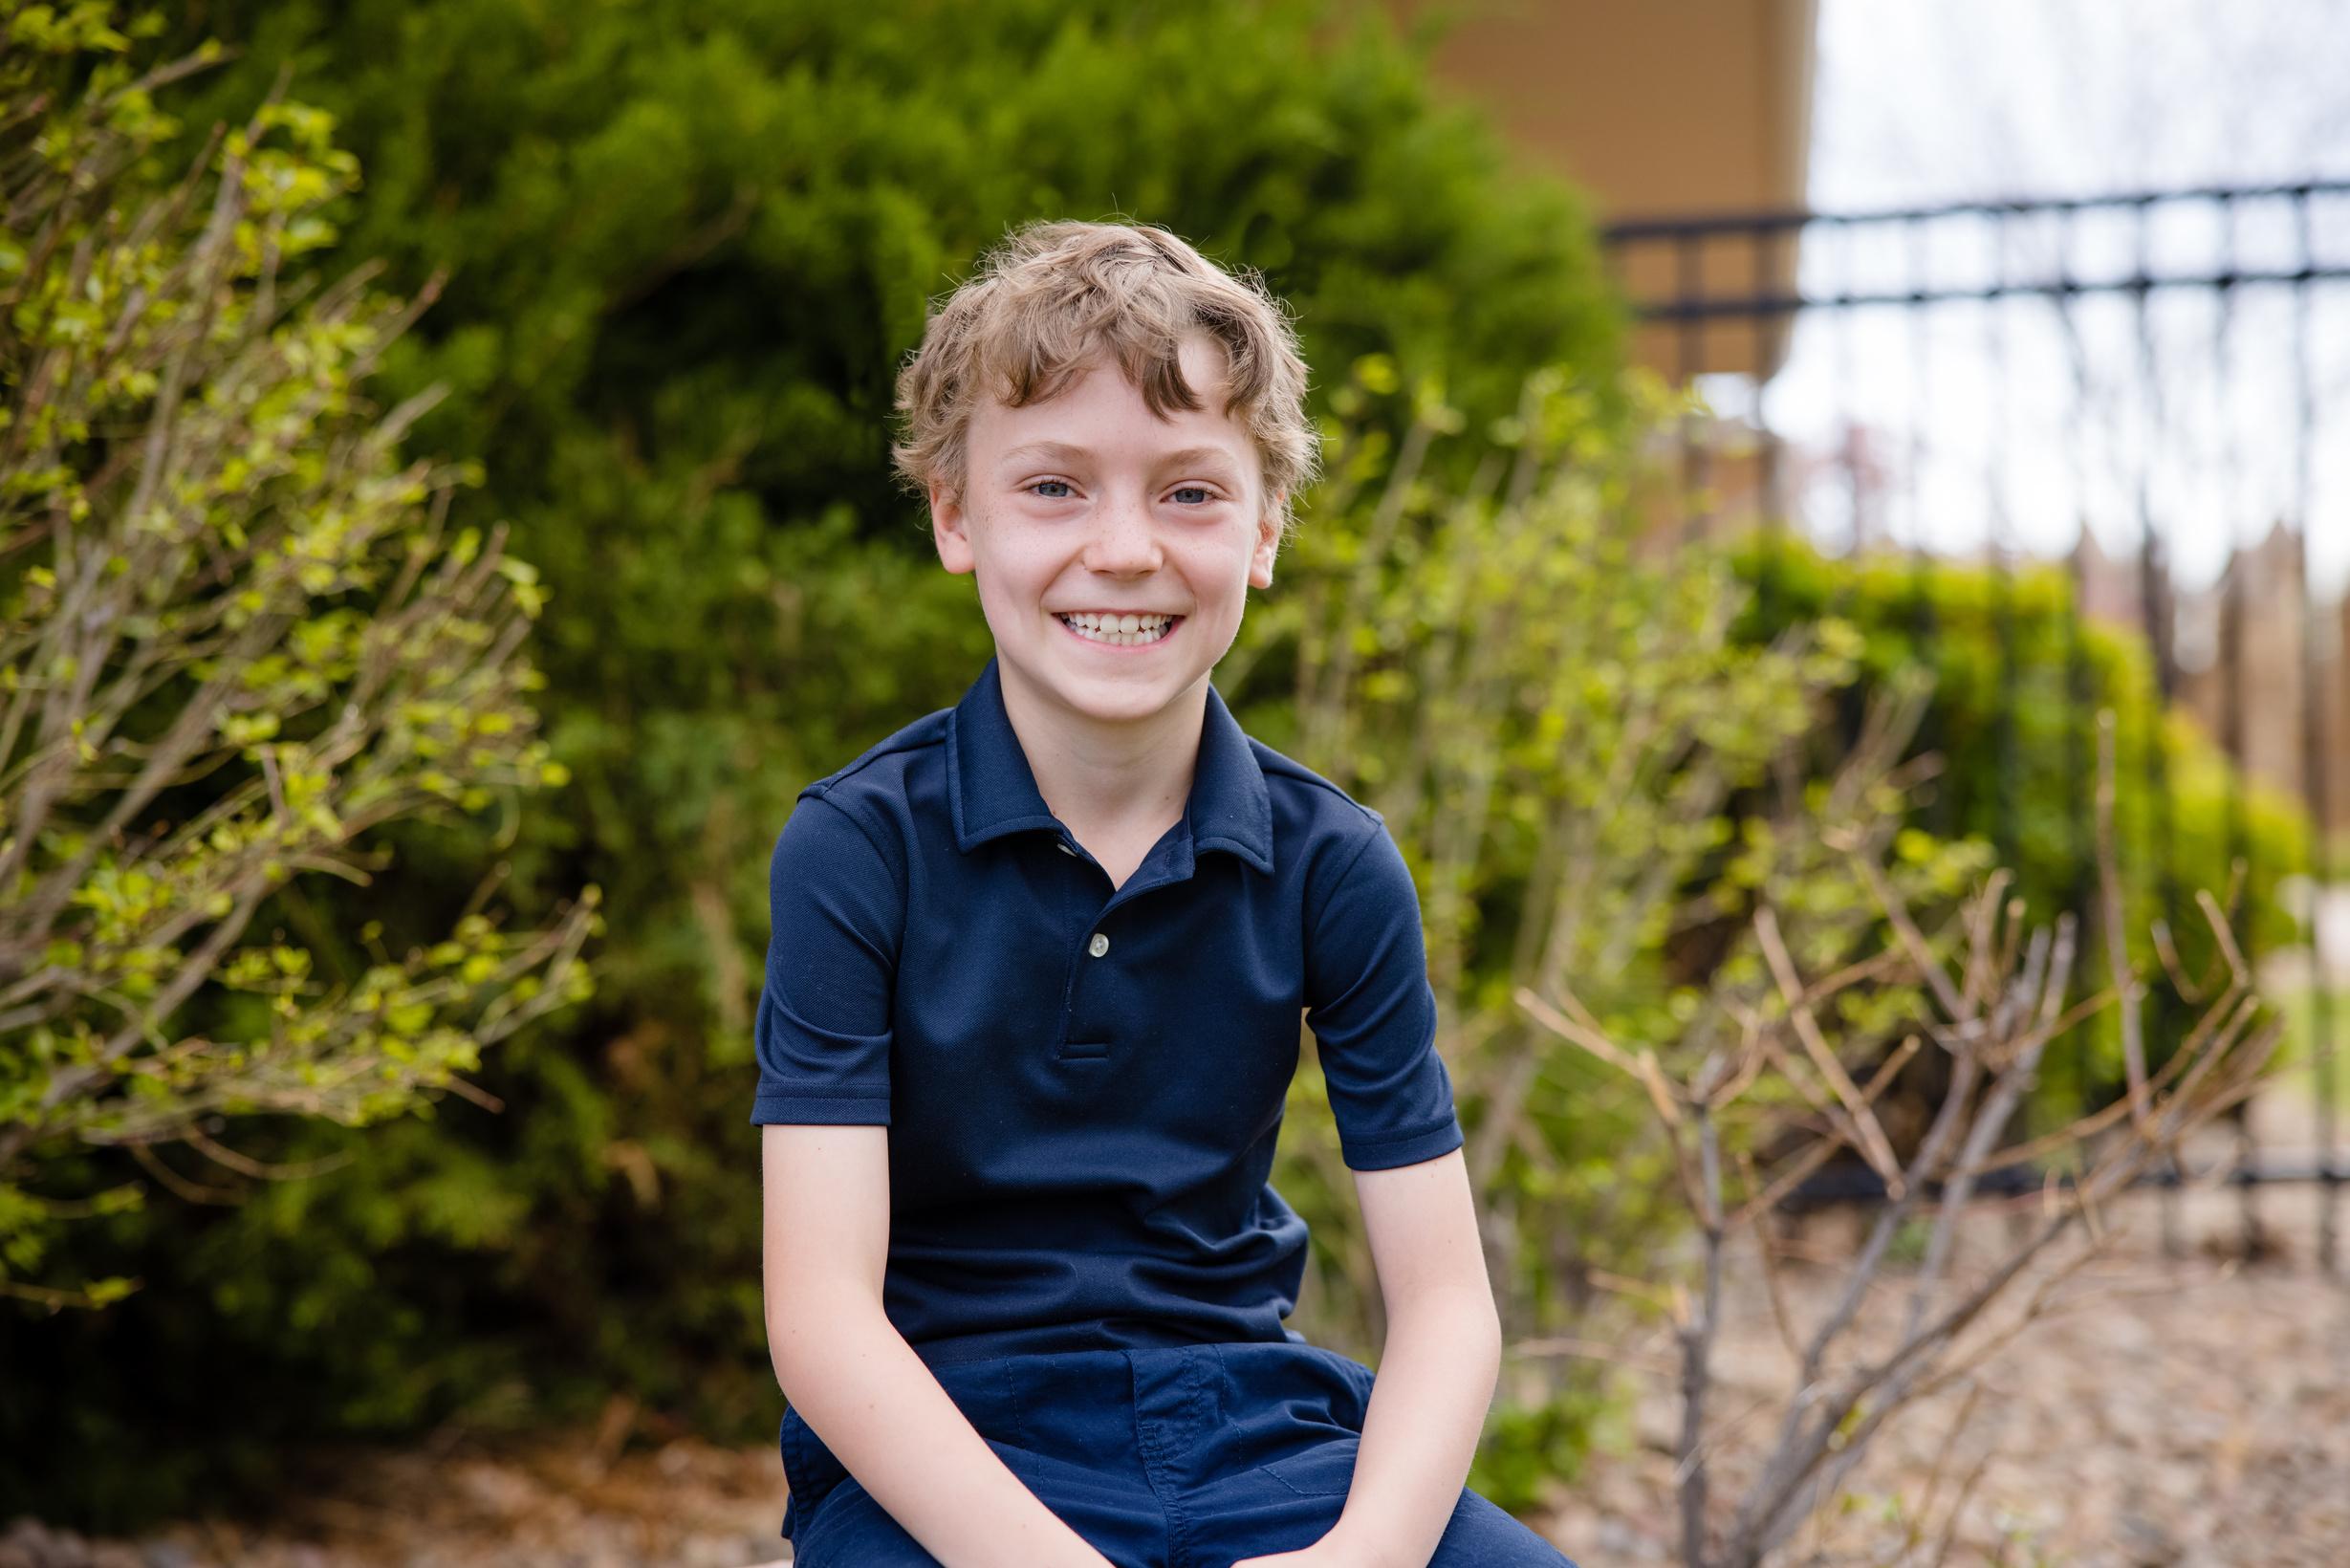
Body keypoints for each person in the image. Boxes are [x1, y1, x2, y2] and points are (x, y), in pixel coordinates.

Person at [755, 218, 1579, 1568]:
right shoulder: (859, 847)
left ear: (1265, 530)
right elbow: (822, 1318)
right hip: (949, 1460)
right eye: (1054, 487)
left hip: (1256, 1433)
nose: (1126, 549)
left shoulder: (1331, 862)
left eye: (1190, 493)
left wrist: (1363, 1555)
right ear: (955, 517)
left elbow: (1444, 1308)